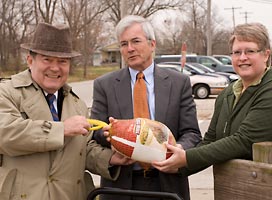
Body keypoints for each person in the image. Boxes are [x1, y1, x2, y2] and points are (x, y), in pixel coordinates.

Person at [0, 22, 125, 200]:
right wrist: (61, 129)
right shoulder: (6, 92)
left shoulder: (77, 104)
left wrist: (110, 159)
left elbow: (83, 150)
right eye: (47, 59)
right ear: (30, 60)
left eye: (62, 61)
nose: (55, 68)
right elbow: (5, 134)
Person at [91, 15, 202, 200]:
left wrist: (177, 151)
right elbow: (96, 133)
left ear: (152, 44)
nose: (130, 49)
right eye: (124, 44)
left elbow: (192, 132)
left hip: (167, 185)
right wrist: (110, 134)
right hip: (120, 186)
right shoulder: (105, 85)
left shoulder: (178, 82)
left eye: (135, 41)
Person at [152, 23, 272, 176]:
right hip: (231, 188)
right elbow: (210, 140)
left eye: (250, 51)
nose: (242, 58)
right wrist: (178, 165)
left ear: (266, 55)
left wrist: (187, 158)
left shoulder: (268, 90)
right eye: (236, 52)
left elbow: (244, 141)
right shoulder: (226, 94)